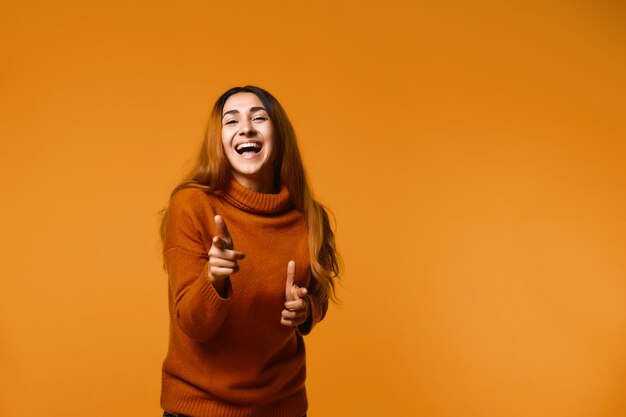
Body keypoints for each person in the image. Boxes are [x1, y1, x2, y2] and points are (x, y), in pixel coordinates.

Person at [158, 86, 341, 417]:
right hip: (200, 408)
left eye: (259, 117)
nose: (246, 128)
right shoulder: (191, 206)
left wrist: (306, 310)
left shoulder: (310, 217)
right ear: (220, 139)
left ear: (278, 134)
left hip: (281, 406)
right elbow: (195, 327)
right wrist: (214, 279)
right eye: (231, 121)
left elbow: (319, 293)